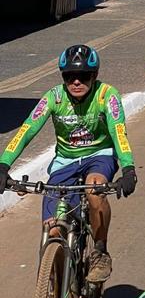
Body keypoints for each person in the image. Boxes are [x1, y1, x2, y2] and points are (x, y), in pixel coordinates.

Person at [0, 45, 136, 283]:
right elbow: (27, 129)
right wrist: (3, 165)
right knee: (53, 230)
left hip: (99, 155)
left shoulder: (107, 95)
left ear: (94, 76)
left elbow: (118, 132)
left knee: (95, 190)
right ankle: (54, 288)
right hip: (65, 161)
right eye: (69, 76)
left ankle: (100, 252)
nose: (76, 82)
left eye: (83, 76)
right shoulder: (54, 97)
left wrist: (128, 168)